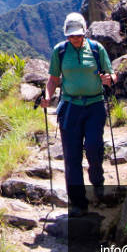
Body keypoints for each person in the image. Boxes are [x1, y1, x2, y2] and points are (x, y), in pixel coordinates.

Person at [39, 12, 116, 217]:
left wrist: (109, 79)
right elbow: (53, 79)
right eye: (71, 35)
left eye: (78, 35)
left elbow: (111, 73)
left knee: (94, 147)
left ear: (85, 33)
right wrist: (47, 96)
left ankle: (97, 181)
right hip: (71, 107)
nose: (75, 38)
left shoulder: (97, 50)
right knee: (71, 156)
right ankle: (78, 202)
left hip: (95, 106)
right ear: (66, 35)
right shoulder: (60, 51)